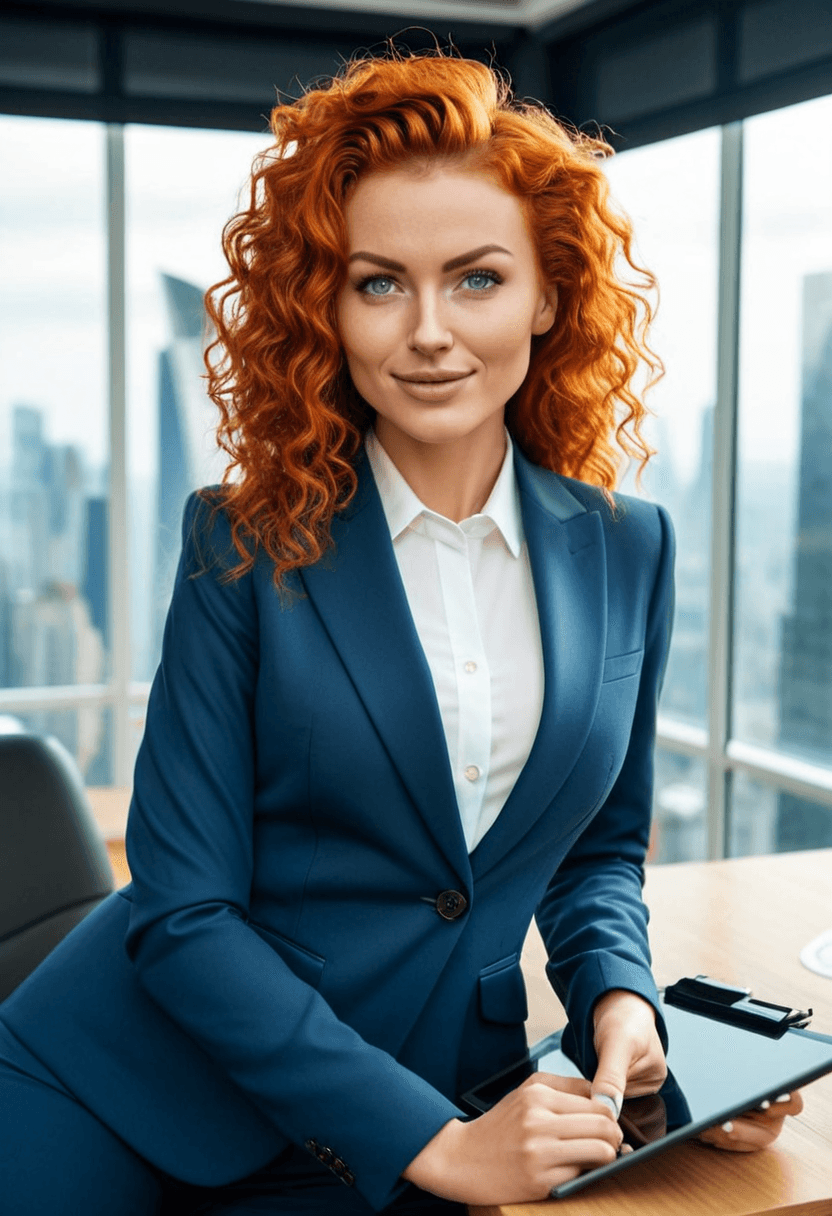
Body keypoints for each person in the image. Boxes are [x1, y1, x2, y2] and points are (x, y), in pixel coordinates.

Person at [0, 48, 801, 1216]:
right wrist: (434, 1141)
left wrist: (622, 1011)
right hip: (121, 1087)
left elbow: (593, 854)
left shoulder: (631, 546)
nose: (427, 331)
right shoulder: (243, 541)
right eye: (379, 283)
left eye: (475, 279)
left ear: (548, 291)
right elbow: (183, 913)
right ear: (326, 304)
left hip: (438, 1080)